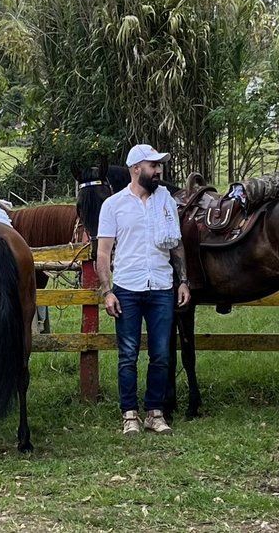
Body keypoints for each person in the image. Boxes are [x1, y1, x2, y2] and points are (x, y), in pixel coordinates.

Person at [95, 143, 190, 434]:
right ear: (136, 169)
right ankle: (129, 414)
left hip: (161, 285)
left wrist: (183, 280)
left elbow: (176, 243)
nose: (159, 170)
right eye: (153, 165)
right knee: (128, 354)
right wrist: (107, 291)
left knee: (161, 353)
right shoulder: (113, 205)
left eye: (159, 165)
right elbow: (103, 252)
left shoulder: (167, 201)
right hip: (127, 287)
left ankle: (155, 412)